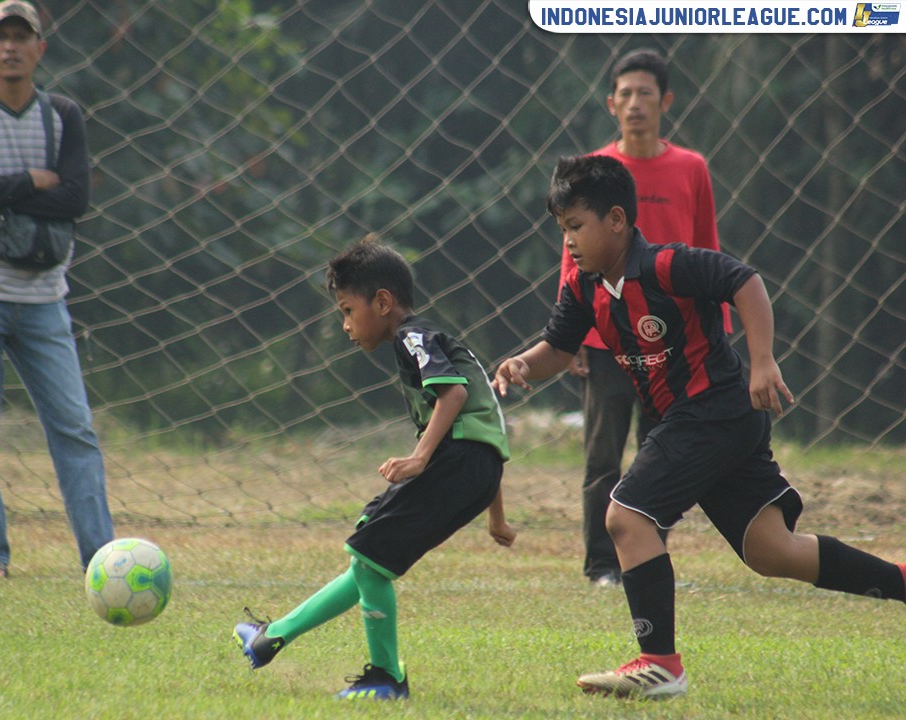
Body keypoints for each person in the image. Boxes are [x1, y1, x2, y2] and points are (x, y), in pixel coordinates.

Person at [493, 154, 905, 699]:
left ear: (616, 221)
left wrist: (762, 361)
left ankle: (659, 664)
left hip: (713, 408)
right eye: (562, 229)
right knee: (771, 550)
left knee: (626, 516)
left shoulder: (665, 265)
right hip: (711, 421)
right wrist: (523, 363)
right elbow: (559, 347)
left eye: (575, 227)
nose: (567, 241)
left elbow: (745, 282)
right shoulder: (583, 287)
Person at [233, 238, 516, 700]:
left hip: (458, 464)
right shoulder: (431, 344)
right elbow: (489, 432)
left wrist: (420, 457)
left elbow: (457, 398)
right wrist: (495, 514)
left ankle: (386, 677)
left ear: (382, 302)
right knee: (369, 557)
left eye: (348, 310)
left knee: (369, 554)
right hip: (474, 469)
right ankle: (271, 637)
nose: (345, 325)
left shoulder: (412, 337)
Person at [0, 0, 113, 579]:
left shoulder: (62, 115)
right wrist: (26, 181)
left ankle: (100, 559)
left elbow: (75, 199)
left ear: (40, 48)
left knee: (75, 428)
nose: (11, 46)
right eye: (0, 36)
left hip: (43, 297)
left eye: (22, 36)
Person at [562, 48, 725, 587]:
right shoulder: (593, 171)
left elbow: (708, 251)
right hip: (608, 338)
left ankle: (647, 563)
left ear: (666, 102)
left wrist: (718, 328)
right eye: (625, 94)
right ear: (611, 104)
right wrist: (572, 337)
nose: (635, 104)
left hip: (674, 343)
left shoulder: (691, 168)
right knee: (603, 456)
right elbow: (573, 256)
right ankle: (602, 566)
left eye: (645, 94)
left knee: (664, 458)